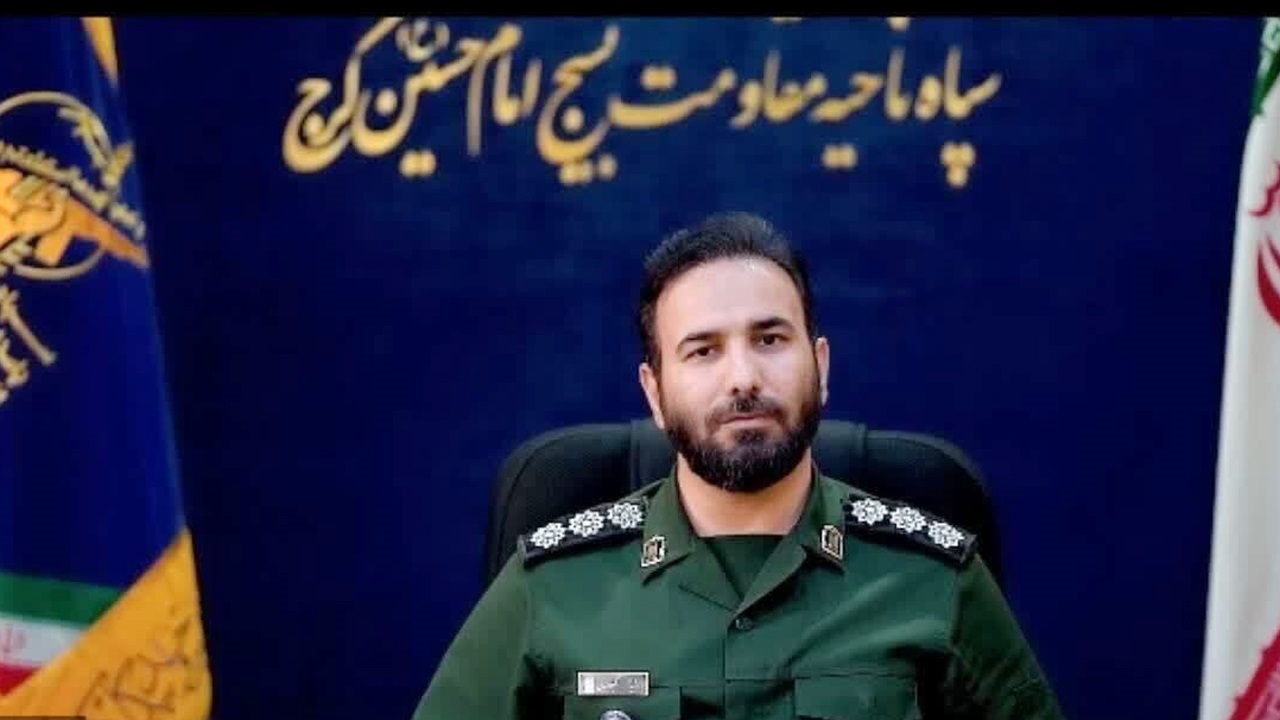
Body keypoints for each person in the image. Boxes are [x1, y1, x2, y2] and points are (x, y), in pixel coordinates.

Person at [411, 211, 1066, 720]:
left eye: (770, 339)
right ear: (654, 393)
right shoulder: (552, 586)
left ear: (821, 367)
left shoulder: (935, 581)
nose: (743, 377)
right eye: (702, 351)